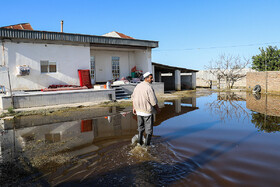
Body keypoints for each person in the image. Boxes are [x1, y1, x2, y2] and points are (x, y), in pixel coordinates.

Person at [131, 72, 160, 146]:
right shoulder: (149, 87)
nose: (152, 79)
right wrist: (158, 109)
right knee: (149, 131)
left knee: (140, 129)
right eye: (151, 78)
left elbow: (133, 98)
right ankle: (147, 146)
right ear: (146, 78)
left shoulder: (137, 86)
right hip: (147, 112)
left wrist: (134, 108)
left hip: (138, 112)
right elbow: (153, 102)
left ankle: (139, 144)